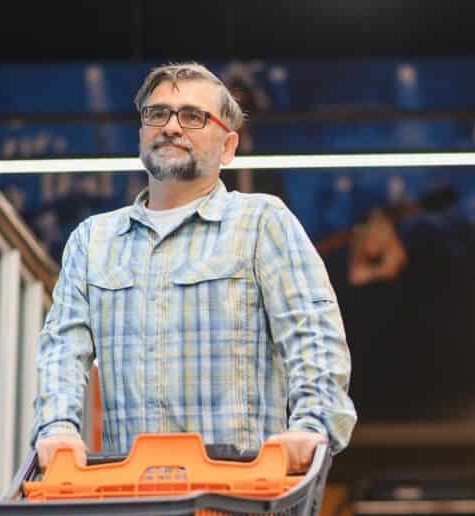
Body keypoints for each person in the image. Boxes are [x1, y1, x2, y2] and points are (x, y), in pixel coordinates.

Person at [27, 62, 356, 476]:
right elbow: (61, 351)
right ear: (142, 132)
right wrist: (57, 427)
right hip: (133, 507)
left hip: (241, 504)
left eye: (193, 117)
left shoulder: (261, 224)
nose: (171, 126)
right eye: (157, 113)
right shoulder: (93, 241)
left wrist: (313, 426)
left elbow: (314, 340)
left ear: (228, 147)